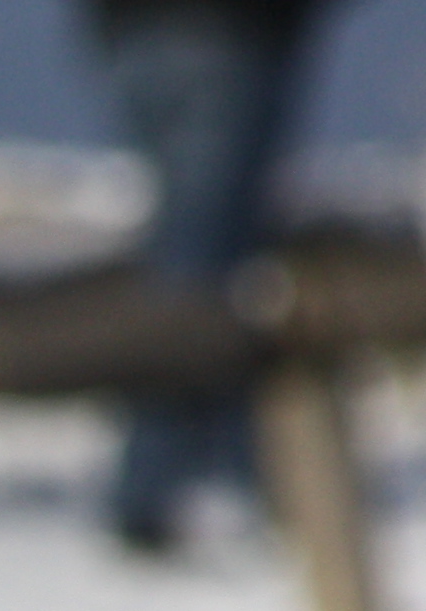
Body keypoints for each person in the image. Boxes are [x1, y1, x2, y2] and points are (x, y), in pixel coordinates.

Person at [79, 0, 350, 554]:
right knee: (206, 266)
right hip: (231, 33)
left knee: (195, 248)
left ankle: (217, 466)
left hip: (139, 32)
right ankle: (172, 482)